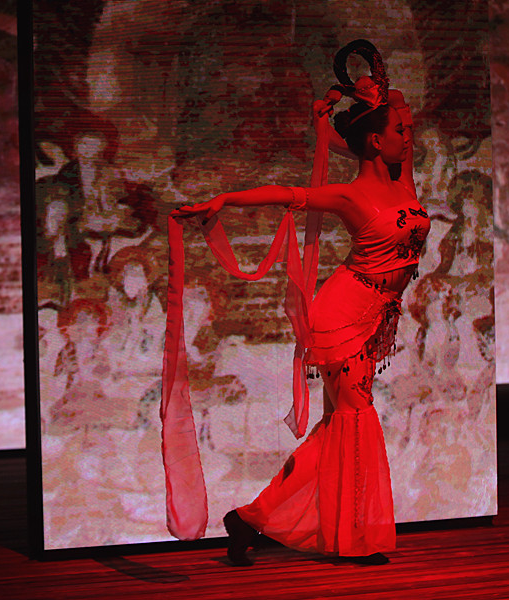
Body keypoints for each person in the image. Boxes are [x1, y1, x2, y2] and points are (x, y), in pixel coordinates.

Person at [168, 40, 430, 566]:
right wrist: (225, 200)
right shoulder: (351, 196)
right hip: (341, 315)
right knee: (356, 417)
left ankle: (251, 517)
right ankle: (353, 537)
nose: (409, 136)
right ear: (375, 141)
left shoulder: (403, 180)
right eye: (400, 132)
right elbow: (283, 193)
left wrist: (373, 89)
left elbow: (398, 109)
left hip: (376, 316)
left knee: (342, 424)